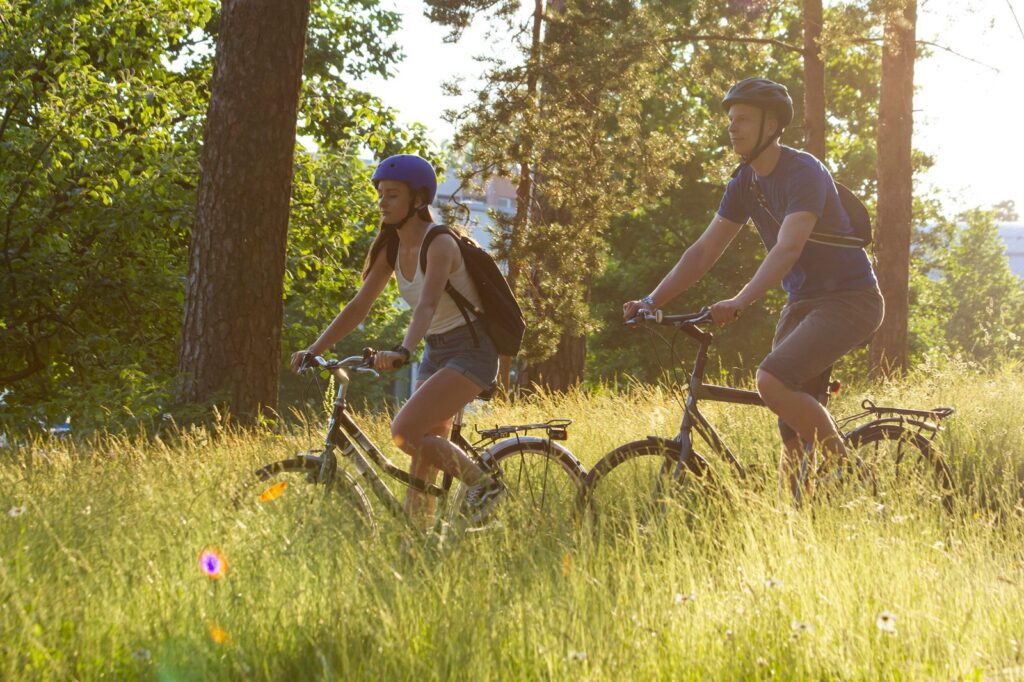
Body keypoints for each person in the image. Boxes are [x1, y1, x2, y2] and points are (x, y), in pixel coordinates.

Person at [623, 78, 884, 499]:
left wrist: (740, 301)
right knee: (790, 425)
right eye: (730, 119)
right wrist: (651, 301)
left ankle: (848, 470)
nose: (732, 127)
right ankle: (796, 518)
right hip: (803, 301)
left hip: (851, 301)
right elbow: (704, 250)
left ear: (771, 125)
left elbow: (788, 248)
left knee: (772, 380)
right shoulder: (744, 182)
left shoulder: (805, 172)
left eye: (743, 118)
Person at [290, 154, 504, 528]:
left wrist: (404, 350)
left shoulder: (439, 244)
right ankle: (417, 547)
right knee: (422, 459)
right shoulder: (391, 248)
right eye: (380, 195)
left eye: (391, 195)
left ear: (418, 200)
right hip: (437, 350)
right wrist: (314, 350)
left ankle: (483, 486)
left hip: (472, 351)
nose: (381, 202)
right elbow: (359, 306)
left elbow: (426, 305)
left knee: (405, 433)